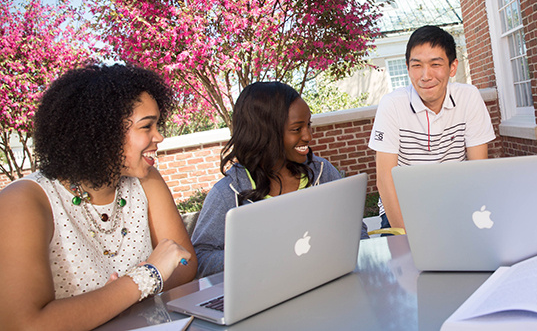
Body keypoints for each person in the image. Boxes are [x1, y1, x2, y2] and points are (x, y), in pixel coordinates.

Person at [0, 65, 196, 330]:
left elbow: (184, 263)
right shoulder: (23, 201)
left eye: (157, 124)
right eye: (147, 126)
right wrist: (145, 278)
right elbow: (24, 324)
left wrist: (116, 298)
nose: (159, 136)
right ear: (103, 131)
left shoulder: (147, 180)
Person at [191, 81, 368, 278]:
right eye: (296, 129)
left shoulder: (322, 172)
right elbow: (201, 258)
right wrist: (252, 258)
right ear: (265, 133)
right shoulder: (227, 193)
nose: (308, 136)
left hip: (327, 282)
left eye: (308, 125)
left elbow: (356, 230)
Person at [369, 25, 496, 230]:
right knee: (405, 260)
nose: (425, 76)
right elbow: (384, 181)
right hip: (404, 209)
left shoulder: (469, 97)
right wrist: (406, 237)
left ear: (452, 67)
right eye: (417, 65)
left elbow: (478, 171)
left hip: (456, 205)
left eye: (435, 64)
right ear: (408, 68)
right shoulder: (391, 104)